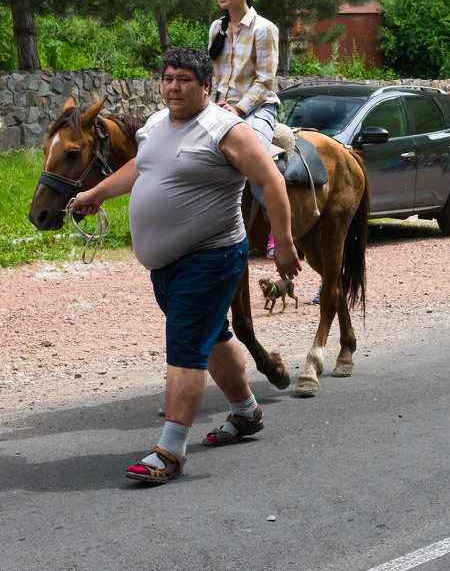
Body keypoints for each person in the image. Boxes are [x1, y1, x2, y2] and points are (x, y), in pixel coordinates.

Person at [70, 45, 300, 485]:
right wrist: (96, 193)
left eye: (185, 80)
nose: (174, 87)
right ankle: (247, 413)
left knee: (185, 346)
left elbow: (270, 180)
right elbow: (142, 165)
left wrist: (284, 243)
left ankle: (170, 450)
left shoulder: (225, 130)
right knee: (212, 336)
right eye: (168, 79)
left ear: (206, 87)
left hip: (211, 256)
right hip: (167, 264)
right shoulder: (157, 124)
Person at [208, 0, 283, 258]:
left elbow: (265, 80)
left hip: (256, 109)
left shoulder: (265, 29)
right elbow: (212, 76)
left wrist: (238, 109)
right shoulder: (217, 27)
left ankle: (279, 229)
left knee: (256, 166)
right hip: (219, 108)